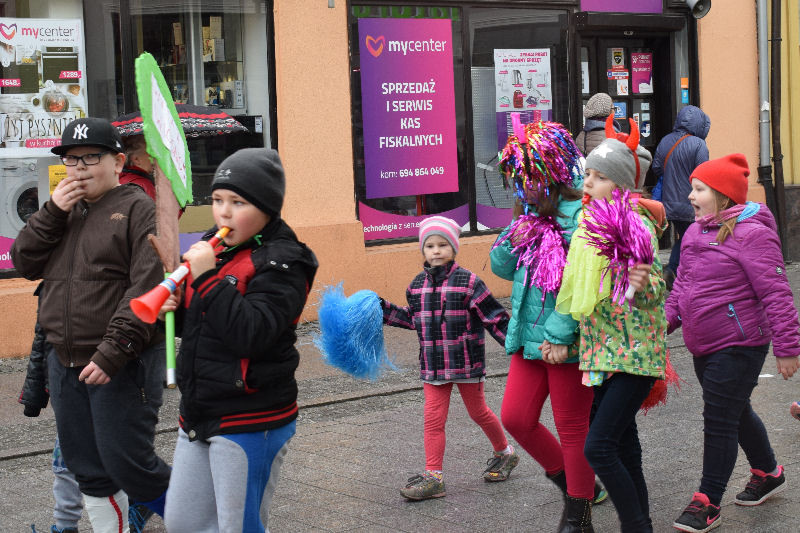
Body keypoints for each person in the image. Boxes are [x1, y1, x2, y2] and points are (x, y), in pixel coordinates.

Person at [11, 117, 171, 533]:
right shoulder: (61, 211)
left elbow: (145, 289)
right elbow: (24, 262)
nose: (79, 168)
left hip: (122, 363)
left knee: (130, 463)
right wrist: (52, 211)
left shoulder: (139, 208)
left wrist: (112, 352)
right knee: (88, 470)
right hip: (63, 360)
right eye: (71, 160)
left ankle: (204, 516)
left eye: (91, 158)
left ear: (118, 162)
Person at [158, 148, 318, 532]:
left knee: (238, 527)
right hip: (199, 410)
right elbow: (206, 325)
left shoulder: (285, 261)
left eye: (237, 202)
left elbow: (252, 334)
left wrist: (206, 279)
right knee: (182, 523)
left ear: (266, 207)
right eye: (216, 200)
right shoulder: (216, 246)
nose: (223, 213)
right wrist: (175, 309)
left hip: (251, 416)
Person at [667, 154, 800, 533]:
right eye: (691, 187)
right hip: (703, 343)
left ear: (724, 197)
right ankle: (768, 471)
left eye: (699, 189)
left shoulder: (753, 234)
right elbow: (681, 287)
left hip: (740, 344)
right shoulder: (694, 232)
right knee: (736, 411)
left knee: (719, 418)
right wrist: (664, 322)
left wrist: (788, 347)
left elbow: (776, 293)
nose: (690, 195)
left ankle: (707, 501)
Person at [490, 120, 604, 532]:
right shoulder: (528, 215)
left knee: (573, 429)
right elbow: (503, 266)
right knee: (516, 418)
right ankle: (574, 484)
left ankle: (579, 515)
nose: (522, 188)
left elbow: (584, 285)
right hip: (528, 339)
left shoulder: (581, 219)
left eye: (529, 180)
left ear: (550, 177)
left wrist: (560, 336)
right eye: (518, 181)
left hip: (565, 344)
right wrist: (516, 228)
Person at [556, 119, 667, 533]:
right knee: (625, 448)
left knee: (599, 448)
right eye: (587, 173)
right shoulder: (587, 227)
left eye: (600, 177)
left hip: (634, 356)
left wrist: (641, 285)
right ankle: (643, 526)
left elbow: (655, 288)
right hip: (602, 354)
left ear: (619, 186)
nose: (589, 182)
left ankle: (636, 526)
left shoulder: (633, 225)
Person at [382, 215, 517, 501]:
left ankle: (504, 452)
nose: (436, 250)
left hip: (467, 363)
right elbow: (412, 318)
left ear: (454, 247)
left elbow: (494, 318)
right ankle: (434, 476)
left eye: (443, 244)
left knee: (478, 412)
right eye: (430, 245)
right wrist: (383, 310)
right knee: (433, 419)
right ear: (423, 250)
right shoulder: (416, 286)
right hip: (433, 365)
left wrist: (516, 346)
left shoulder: (470, 282)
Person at [652, 105, 710, 289]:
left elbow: (656, 168)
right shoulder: (699, 144)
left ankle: (674, 269)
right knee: (691, 238)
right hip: (691, 202)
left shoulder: (665, 141)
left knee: (684, 236)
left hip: (668, 202)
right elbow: (704, 173)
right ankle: (679, 271)